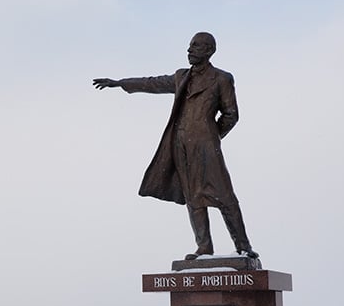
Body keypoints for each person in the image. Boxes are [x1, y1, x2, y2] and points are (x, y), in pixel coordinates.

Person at [93, 32, 258, 260]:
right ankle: (204, 248)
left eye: (197, 46)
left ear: (209, 51)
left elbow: (231, 115)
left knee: (225, 196)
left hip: (207, 147)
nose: (190, 50)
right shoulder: (182, 76)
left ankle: (243, 247)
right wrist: (121, 83)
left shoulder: (222, 78)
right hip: (181, 146)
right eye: (190, 45)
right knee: (193, 197)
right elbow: (153, 83)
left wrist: (211, 137)